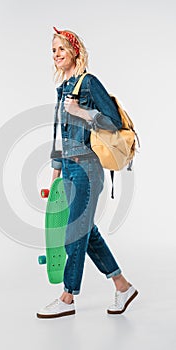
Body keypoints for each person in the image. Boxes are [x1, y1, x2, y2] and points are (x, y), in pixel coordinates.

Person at [36, 27, 138, 319]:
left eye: (61, 50)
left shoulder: (88, 84)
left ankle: (67, 297)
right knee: (85, 230)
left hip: (87, 169)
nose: (56, 55)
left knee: (75, 232)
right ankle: (122, 285)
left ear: (74, 52)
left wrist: (83, 112)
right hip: (68, 168)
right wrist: (56, 172)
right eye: (53, 50)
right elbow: (61, 135)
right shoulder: (63, 88)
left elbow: (115, 121)